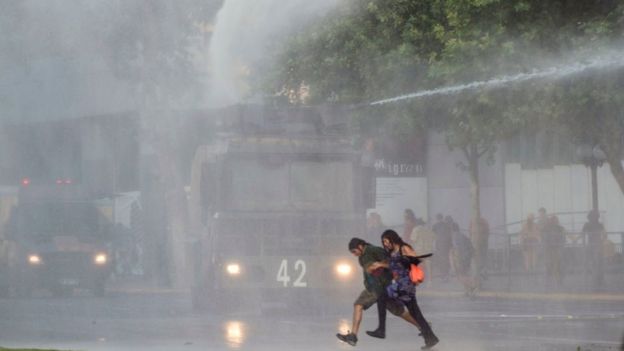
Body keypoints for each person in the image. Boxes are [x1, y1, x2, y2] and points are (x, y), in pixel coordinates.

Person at [336, 238, 422, 346]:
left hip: (380, 287)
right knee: (399, 311)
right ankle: (422, 326)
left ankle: (353, 336)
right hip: (376, 288)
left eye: (354, 251)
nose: (354, 254)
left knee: (359, 305)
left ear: (360, 246)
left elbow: (392, 262)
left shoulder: (374, 250)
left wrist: (379, 265)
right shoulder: (361, 258)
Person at [380, 230, 439, 350]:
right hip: (398, 283)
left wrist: (407, 262)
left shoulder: (404, 248)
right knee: (415, 312)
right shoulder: (391, 252)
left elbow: (416, 261)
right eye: (383, 242)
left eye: (386, 241)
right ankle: (430, 337)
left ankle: (429, 336)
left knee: (385, 297)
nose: (385, 244)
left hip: (406, 284)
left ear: (392, 238)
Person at [582, 210, 605, 289]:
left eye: (594, 216)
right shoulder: (591, 225)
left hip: (595, 246)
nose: (593, 218)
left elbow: (604, 234)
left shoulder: (596, 225)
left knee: (595, 263)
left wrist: (602, 241)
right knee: (595, 263)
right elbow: (582, 234)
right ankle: (596, 279)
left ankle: (596, 279)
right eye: (592, 216)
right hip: (593, 246)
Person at [451, 229, 478, 296]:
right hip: (467, 258)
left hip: (461, 259)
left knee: (460, 276)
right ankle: (467, 290)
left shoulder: (455, 237)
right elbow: (470, 247)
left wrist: (456, 261)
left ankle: (472, 285)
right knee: (464, 274)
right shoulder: (463, 236)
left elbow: (457, 250)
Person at [410, 218, 435, 286]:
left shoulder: (416, 229)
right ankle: (430, 281)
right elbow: (433, 237)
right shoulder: (428, 229)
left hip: (419, 250)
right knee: (428, 265)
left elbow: (413, 239)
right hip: (428, 250)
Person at [542, 215, 565, 287]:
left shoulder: (559, 228)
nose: (555, 221)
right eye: (554, 220)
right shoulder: (547, 228)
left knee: (555, 265)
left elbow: (563, 238)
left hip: (555, 249)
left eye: (555, 220)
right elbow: (544, 238)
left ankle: (555, 281)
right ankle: (553, 282)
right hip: (550, 250)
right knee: (551, 265)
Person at [469, 216, 490, 282]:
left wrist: (472, 239)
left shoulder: (472, 222)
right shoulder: (484, 221)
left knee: (476, 258)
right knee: (483, 258)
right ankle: (483, 273)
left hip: (476, 243)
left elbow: (470, 232)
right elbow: (488, 231)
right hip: (483, 242)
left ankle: (478, 274)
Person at [432, 214, 452, 281]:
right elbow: (450, 234)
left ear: (437, 218)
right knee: (446, 258)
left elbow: (433, 235)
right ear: (442, 218)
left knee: (441, 259)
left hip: (440, 244)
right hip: (447, 244)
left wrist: (434, 245)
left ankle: (443, 275)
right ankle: (446, 274)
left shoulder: (435, 226)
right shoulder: (446, 225)